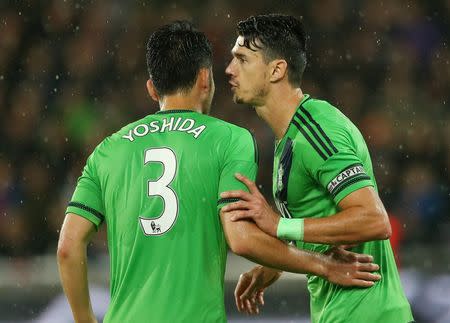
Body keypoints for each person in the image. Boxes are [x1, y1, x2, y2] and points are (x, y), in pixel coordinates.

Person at [57, 21, 381, 323]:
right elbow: (241, 238)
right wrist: (321, 265)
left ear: (152, 89)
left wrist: (85, 320)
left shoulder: (108, 150)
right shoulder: (230, 139)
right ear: (205, 79)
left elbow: (68, 247)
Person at [222, 14, 414, 323]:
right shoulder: (291, 137)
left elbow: (374, 220)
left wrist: (279, 226)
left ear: (276, 70)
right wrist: (275, 264)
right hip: (342, 313)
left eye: (242, 60)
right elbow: (320, 222)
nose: (229, 70)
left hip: (367, 313)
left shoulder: (315, 130)